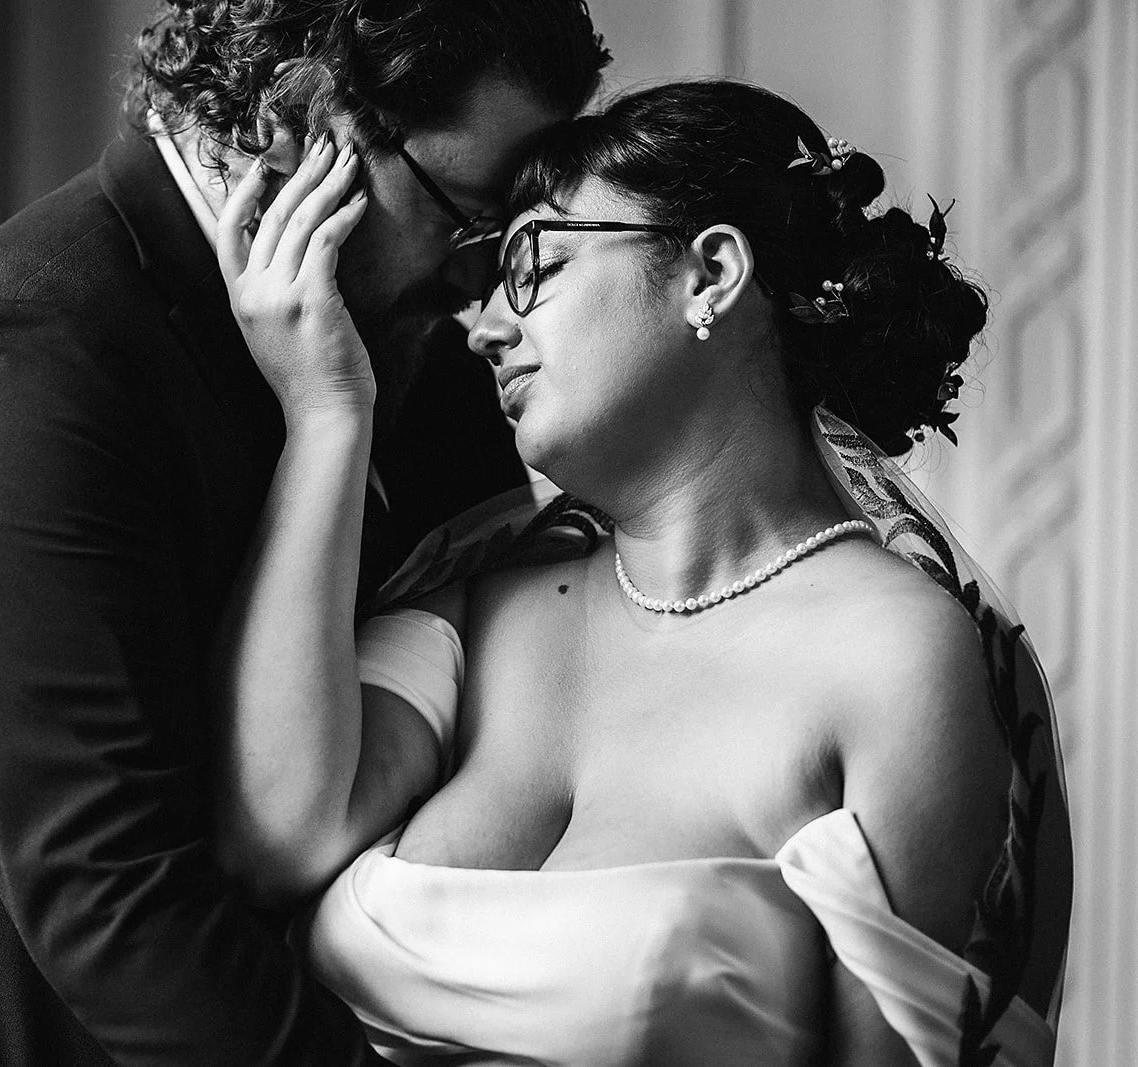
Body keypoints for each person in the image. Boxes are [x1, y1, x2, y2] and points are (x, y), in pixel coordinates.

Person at [0, 2, 612, 1064]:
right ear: (302, 121)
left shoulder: (406, 336)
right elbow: (119, 910)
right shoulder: (20, 368)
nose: (480, 276)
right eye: (462, 210)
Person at [210, 80, 1073, 1065]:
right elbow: (275, 838)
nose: (485, 323)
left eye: (534, 260)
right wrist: (326, 408)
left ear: (708, 272)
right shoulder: (470, 608)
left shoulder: (895, 657)